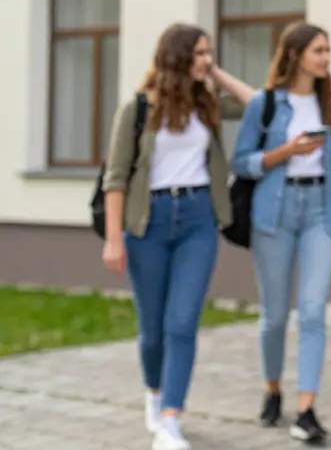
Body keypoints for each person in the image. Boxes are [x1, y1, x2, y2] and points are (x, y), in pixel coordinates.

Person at [100, 23, 251, 450]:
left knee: (182, 322)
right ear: (177, 57)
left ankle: (171, 420)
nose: (207, 59)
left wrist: (215, 75)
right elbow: (115, 178)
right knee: (152, 330)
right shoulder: (137, 109)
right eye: (200, 53)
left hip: (198, 220)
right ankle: (154, 392)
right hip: (149, 222)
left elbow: (257, 103)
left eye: (209, 52)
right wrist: (113, 239)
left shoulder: (208, 103)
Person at [231, 21, 331, 444]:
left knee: (313, 311)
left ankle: (306, 411)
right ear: (295, 54)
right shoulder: (265, 103)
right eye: (318, 50)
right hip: (275, 211)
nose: (325, 58)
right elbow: (241, 161)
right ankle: (273, 389)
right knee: (274, 316)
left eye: (327, 50)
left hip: (320, 211)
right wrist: (286, 152)